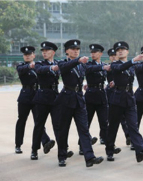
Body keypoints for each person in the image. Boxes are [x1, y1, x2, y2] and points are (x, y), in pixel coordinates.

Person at [55, 39, 104, 167]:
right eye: (73, 49)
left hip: (79, 99)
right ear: (66, 51)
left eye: (77, 49)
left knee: (84, 129)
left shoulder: (82, 64)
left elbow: (93, 68)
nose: (75, 51)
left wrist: (105, 67)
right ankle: (62, 156)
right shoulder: (62, 63)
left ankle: (89, 157)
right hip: (66, 99)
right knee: (63, 129)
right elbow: (64, 68)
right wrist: (77, 60)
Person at [105, 41, 143, 162]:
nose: (120, 51)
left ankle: (140, 151)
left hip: (129, 98)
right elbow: (120, 68)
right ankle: (109, 150)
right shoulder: (114, 64)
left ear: (127, 51)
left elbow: (140, 68)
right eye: (118, 50)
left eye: (123, 49)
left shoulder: (132, 65)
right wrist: (133, 60)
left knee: (133, 125)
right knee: (113, 126)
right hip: (117, 98)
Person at [80, 44, 121, 155]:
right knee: (86, 122)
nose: (93, 54)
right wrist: (102, 67)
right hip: (90, 96)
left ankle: (110, 146)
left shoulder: (104, 65)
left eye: (95, 52)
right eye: (92, 52)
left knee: (104, 123)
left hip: (102, 96)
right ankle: (82, 145)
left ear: (100, 54)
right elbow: (88, 69)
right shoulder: (88, 64)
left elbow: (113, 74)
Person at [15, 46, 51, 155]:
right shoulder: (21, 66)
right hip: (25, 96)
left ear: (33, 55)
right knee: (22, 120)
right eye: (25, 55)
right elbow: (21, 70)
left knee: (39, 121)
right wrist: (30, 66)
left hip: (37, 96)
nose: (27, 56)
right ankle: (18, 144)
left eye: (29, 54)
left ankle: (45, 142)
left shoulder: (39, 65)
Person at [31, 41, 61, 160]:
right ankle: (34, 150)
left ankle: (63, 150)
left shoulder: (58, 63)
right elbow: (39, 70)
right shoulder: (39, 64)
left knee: (58, 125)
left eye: (47, 51)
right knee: (39, 125)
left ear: (53, 52)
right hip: (42, 97)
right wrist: (51, 67)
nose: (44, 53)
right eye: (43, 51)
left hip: (55, 97)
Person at [106, 48, 131, 145]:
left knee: (123, 118)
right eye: (111, 56)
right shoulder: (109, 67)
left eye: (114, 55)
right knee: (110, 119)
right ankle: (105, 138)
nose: (113, 57)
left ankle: (128, 135)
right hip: (111, 93)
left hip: (121, 93)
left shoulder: (123, 66)